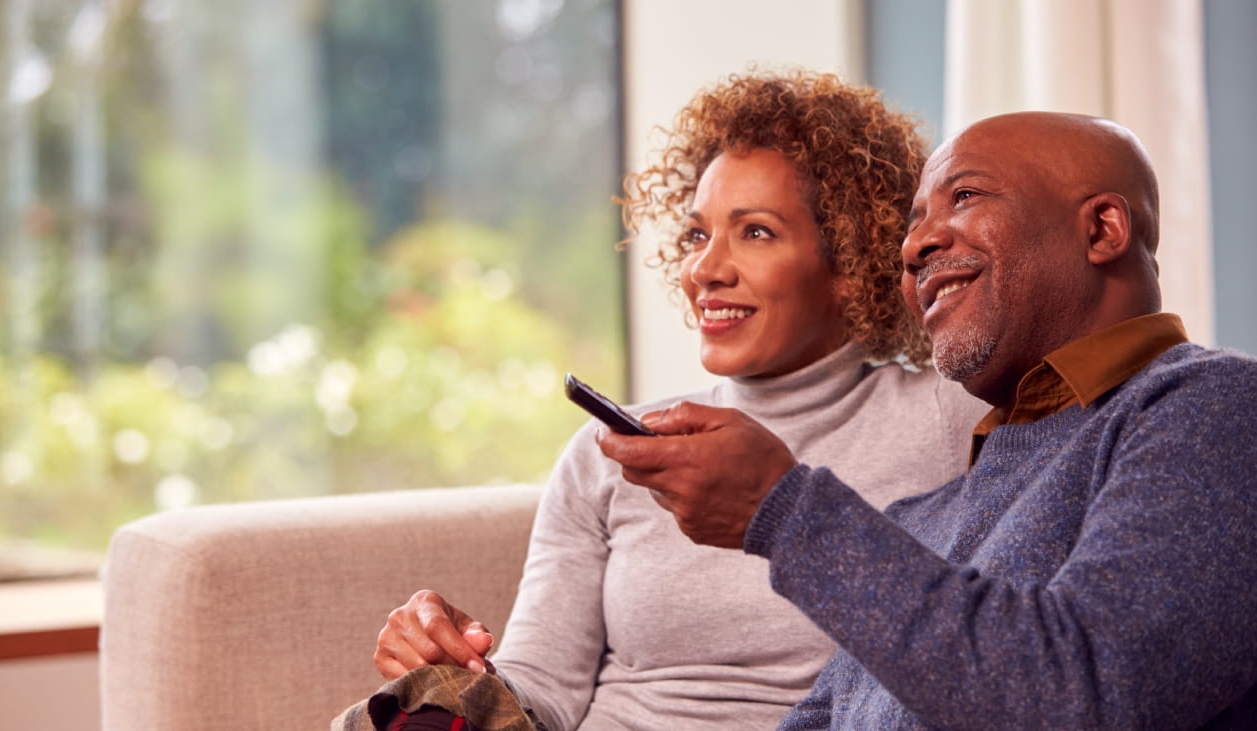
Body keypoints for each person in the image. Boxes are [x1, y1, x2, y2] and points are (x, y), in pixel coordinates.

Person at [334, 69, 986, 731]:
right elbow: (542, 686)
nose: (705, 270)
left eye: (755, 232)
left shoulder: (953, 423)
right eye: (698, 235)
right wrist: (457, 669)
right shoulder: (608, 452)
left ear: (853, 265)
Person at [599, 110, 1257, 729]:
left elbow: (1083, 693)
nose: (915, 244)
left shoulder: (1214, 408)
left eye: (965, 197)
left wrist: (783, 509)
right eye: (913, 221)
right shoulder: (922, 520)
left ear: (1102, 229)